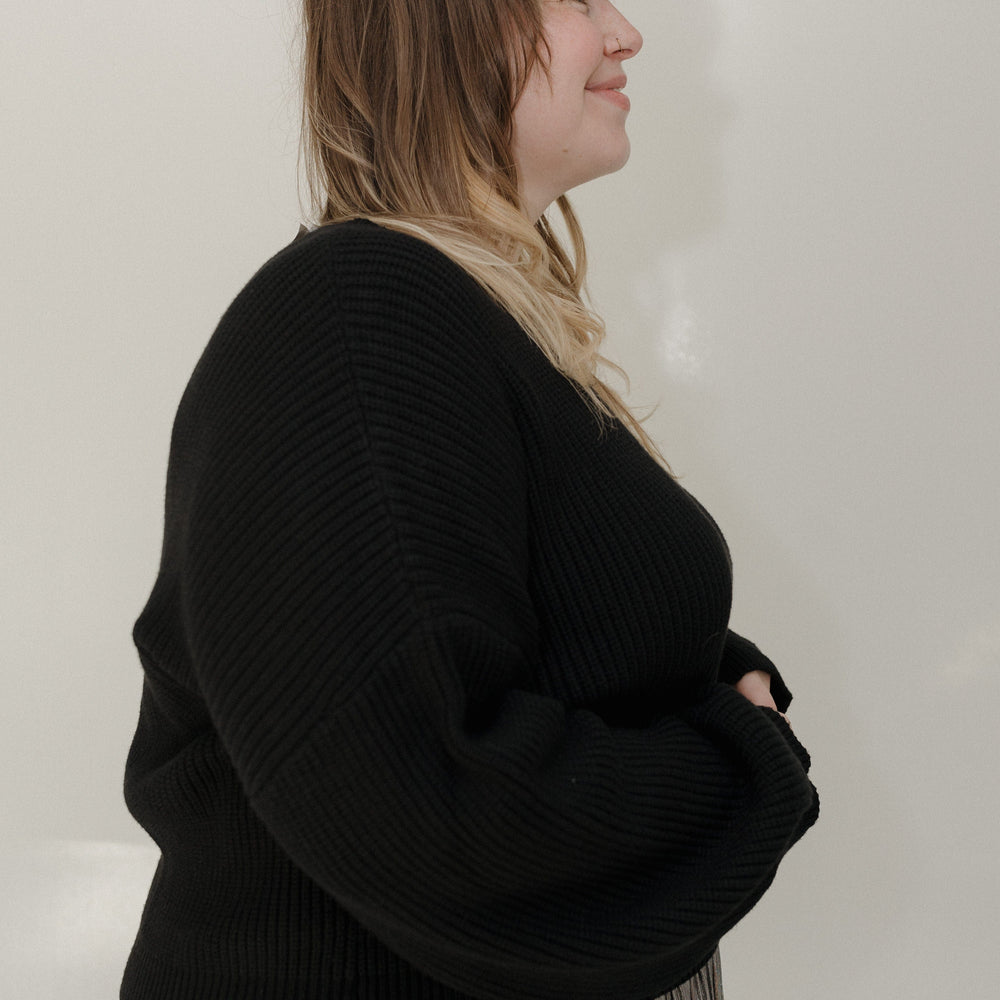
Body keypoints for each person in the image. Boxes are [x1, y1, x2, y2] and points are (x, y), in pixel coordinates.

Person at [121, 1, 819, 998]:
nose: (624, 32)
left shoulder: (453, 312)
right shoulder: (360, 310)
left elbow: (532, 630)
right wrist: (744, 763)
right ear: (443, 24)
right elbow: (420, 800)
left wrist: (708, 676)